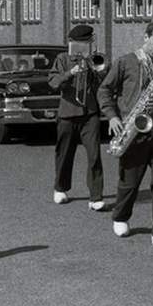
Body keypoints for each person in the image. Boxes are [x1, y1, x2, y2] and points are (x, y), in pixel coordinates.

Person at [98, 20, 153, 248]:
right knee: (130, 182)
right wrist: (113, 117)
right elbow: (104, 90)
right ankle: (120, 215)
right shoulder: (126, 62)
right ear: (145, 37)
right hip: (133, 130)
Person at [48, 24, 107, 211]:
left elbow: (105, 83)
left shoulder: (95, 59)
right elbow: (53, 83)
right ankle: (61, 188)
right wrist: (70, 73)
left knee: (94, 155)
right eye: (83, 42)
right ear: (74, 43)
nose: (86, 45)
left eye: (89, 42)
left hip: (90, 113)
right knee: (64, 153)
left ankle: (96, 196)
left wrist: (96, 70)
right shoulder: (62, 59)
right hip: (68, 113)